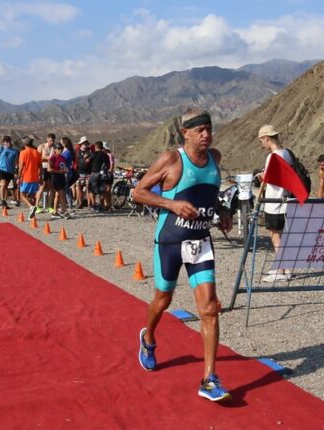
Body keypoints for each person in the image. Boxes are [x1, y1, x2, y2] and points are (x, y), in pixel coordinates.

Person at [132, 108, 232, 402]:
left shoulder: (215, 158)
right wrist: (171, 205)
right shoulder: (172, 160)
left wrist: (223, 211)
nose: (206, 135)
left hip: (200, 242)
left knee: (209, 308)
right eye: (199, 130)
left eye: (209, 129)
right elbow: (138, 192)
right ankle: (148, 336)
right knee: (163, 299)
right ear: (185, 133)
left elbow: (210, 194)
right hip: (170, 243)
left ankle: (209, 379)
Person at [257, 125, 293, 283]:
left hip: (274, 202)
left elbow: (270, 178)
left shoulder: (273, 156)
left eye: (262, 140)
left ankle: (280, 270)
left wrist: (261, 176)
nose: (262, 144)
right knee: (282, 236)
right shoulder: (287, 153)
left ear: (266, 138)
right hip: (285, 200)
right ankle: (286, 268)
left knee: (275, 236)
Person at [18, 136, 42, 218]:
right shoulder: (37, 153)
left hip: (26, 177)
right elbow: (40, 166)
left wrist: (18, 177)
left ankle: (31, 207)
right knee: (32, 196)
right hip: (35, 177)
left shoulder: (23, 153)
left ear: (24, 143)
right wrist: (40, 176)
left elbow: (21, 166)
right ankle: (32, 215)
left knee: (22, 194)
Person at [0, 135, 19, 208]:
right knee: (3, 184)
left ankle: (4, 201)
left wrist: (16, 171)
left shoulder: (14, 151)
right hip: (1, 169)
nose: (7, 143)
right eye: (6, 142)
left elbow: (16, 162)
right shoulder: (0, 149)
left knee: (6, 186)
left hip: (10, 171)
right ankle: (2, 201)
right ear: (3, 142)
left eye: (8, 141)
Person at [48, 142, 71, 219]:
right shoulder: (52, 158)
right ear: (55, 149)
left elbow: (65, 168)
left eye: (61, 149)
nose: (60, 150)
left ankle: (55, 212)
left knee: (58, 195)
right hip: (55, 178)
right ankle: (64, 211)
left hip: (62, 177)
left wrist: (65, 170)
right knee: (62, 194)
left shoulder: (63, 158)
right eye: (59, 149)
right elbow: (49, 169)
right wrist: (59, 171)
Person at [35, 133, 55, 213]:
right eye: (50, 140)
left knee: (51, 187)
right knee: (42, 186)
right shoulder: (42, 146)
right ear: (47, 139)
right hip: (43, 168)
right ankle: (36, 206)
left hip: (51, 169)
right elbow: (37, 157)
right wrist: (47, 158)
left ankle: (49, 206)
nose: (51, 142)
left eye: (53, 141)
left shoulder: (54, 148)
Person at [88, 141, 110, 212]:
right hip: (103, 174)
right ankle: (101, 205)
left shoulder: (93, 154)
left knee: (91, 190)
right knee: (102, 191)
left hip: (94, 173)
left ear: (96, 147)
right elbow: (108, 165)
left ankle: (94, 205)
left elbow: (87, 161)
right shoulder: (106, 155)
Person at [75, 137, 92, 208]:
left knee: (88, 188)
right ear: (81, 144)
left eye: (86, 143)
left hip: (88, 172)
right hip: (79, 172)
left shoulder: (90, 151)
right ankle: (80, 203)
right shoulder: (77, 152)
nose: (85, 144)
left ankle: (89, 203)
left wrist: (89, 158)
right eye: (84, 143)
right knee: (79, 188)